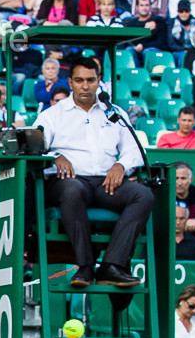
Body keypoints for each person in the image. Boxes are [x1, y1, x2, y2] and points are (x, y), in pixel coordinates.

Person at [34, 57, 150, 288]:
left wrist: (121, 166)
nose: (85, 86)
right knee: (73, 190)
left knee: (143, 195)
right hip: (68, 181)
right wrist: (55, 156)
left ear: (99, 81)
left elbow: (135, 151)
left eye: (90, 80)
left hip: (105, 182)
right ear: (70, 82)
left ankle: (112, 265)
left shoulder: (115, 113)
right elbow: (35, 147)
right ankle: (85, 266)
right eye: (79, 81)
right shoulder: (52, 114)